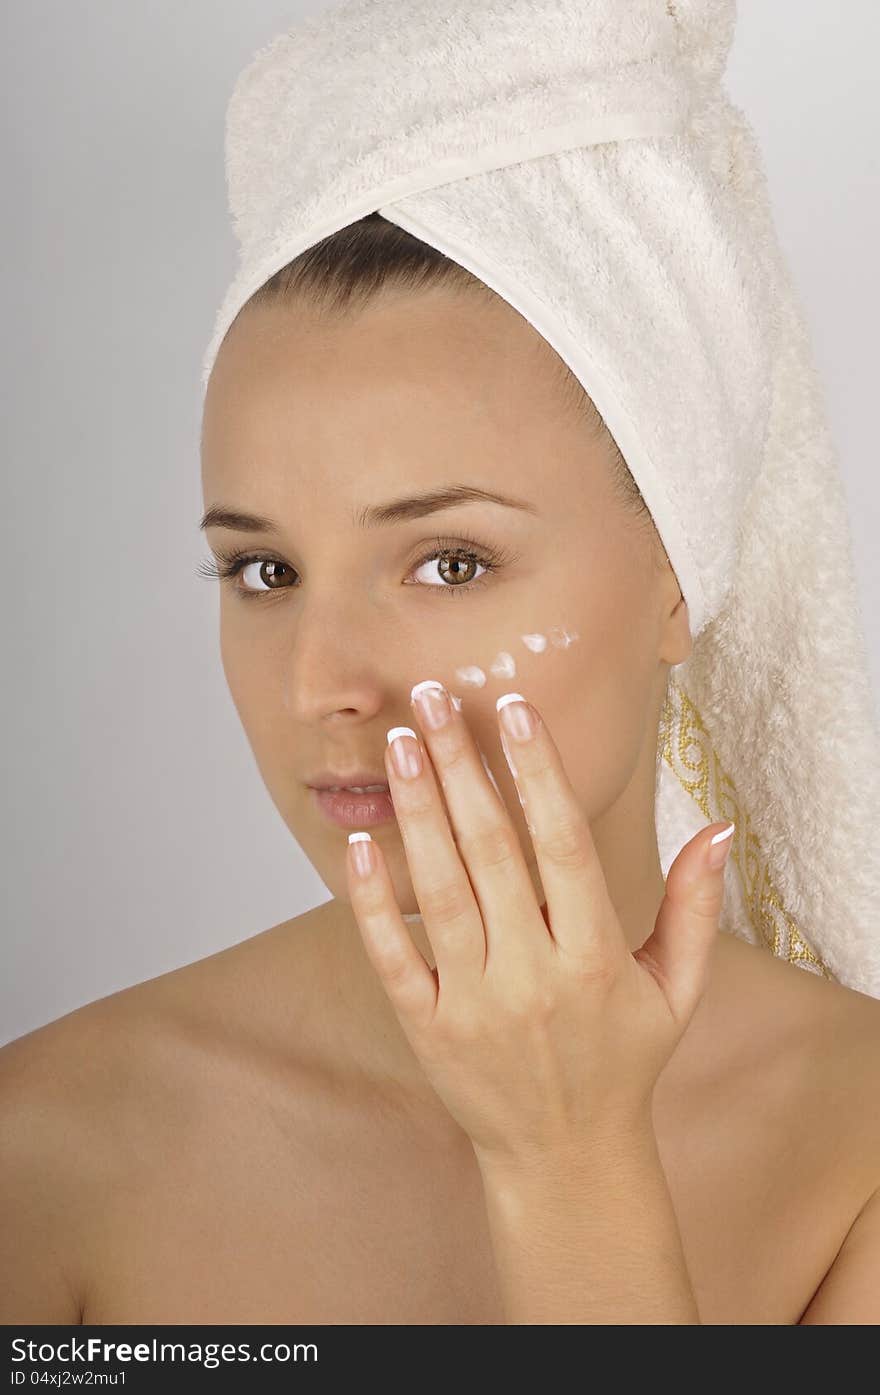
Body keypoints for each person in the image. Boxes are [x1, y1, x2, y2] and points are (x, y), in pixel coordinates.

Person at [2, 213, 879, 1324]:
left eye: (450, 563)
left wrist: (569, 1166)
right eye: (264, 571)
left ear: (676, 578)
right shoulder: (45, 1154)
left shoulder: (857, 1153)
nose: (321, 682)